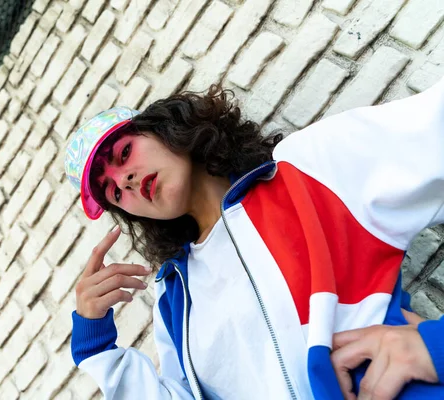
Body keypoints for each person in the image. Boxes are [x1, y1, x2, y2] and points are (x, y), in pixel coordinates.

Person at [63, 76, 444, 399]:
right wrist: (95, 346)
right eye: (112, 193)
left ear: (165, 130)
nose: (124, 180)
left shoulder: (306, 172)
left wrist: (436, 347)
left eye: (124, 153)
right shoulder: (175, 301)